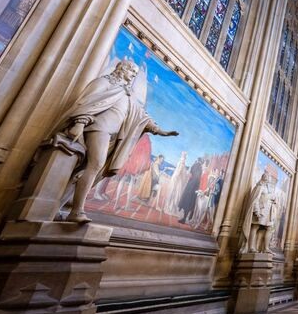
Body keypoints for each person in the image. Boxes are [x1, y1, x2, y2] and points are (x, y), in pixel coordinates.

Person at [57, 59, 178, 223]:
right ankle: (76, 211)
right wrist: (80, 122)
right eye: (131, 71)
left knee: (91, 169)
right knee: (96, 164)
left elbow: (141, 116)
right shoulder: (105, 82)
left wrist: (160, 131)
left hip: (113, 137)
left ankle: (62, 203)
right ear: (121, 68)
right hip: (99, 128)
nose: (133, 75)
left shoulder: (128, 95)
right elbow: (87, 101)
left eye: (135, 74)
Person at [239, 173, 276, 253]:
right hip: (261, 211)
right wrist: (257, 211)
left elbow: (271, 199)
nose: (268, 180)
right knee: (255, 226)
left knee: (269, 228)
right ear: (263, 178)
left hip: (268, 213)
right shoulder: (260, 187)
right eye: (267, 178)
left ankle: (266, 248)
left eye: (269, 179)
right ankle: (251, 247)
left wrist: (274, 201)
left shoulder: (268, 188)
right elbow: (255, 200)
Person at [178, 157, 204, 224]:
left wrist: (190, 183)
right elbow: (195, 177)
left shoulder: (196, 165)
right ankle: (185, 217)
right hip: (194, 187)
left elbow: (192, 176)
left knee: (187, 201)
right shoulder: (200, 168)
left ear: (198, 160)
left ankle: (184, 218)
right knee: (189, 203)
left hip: (191, 186)